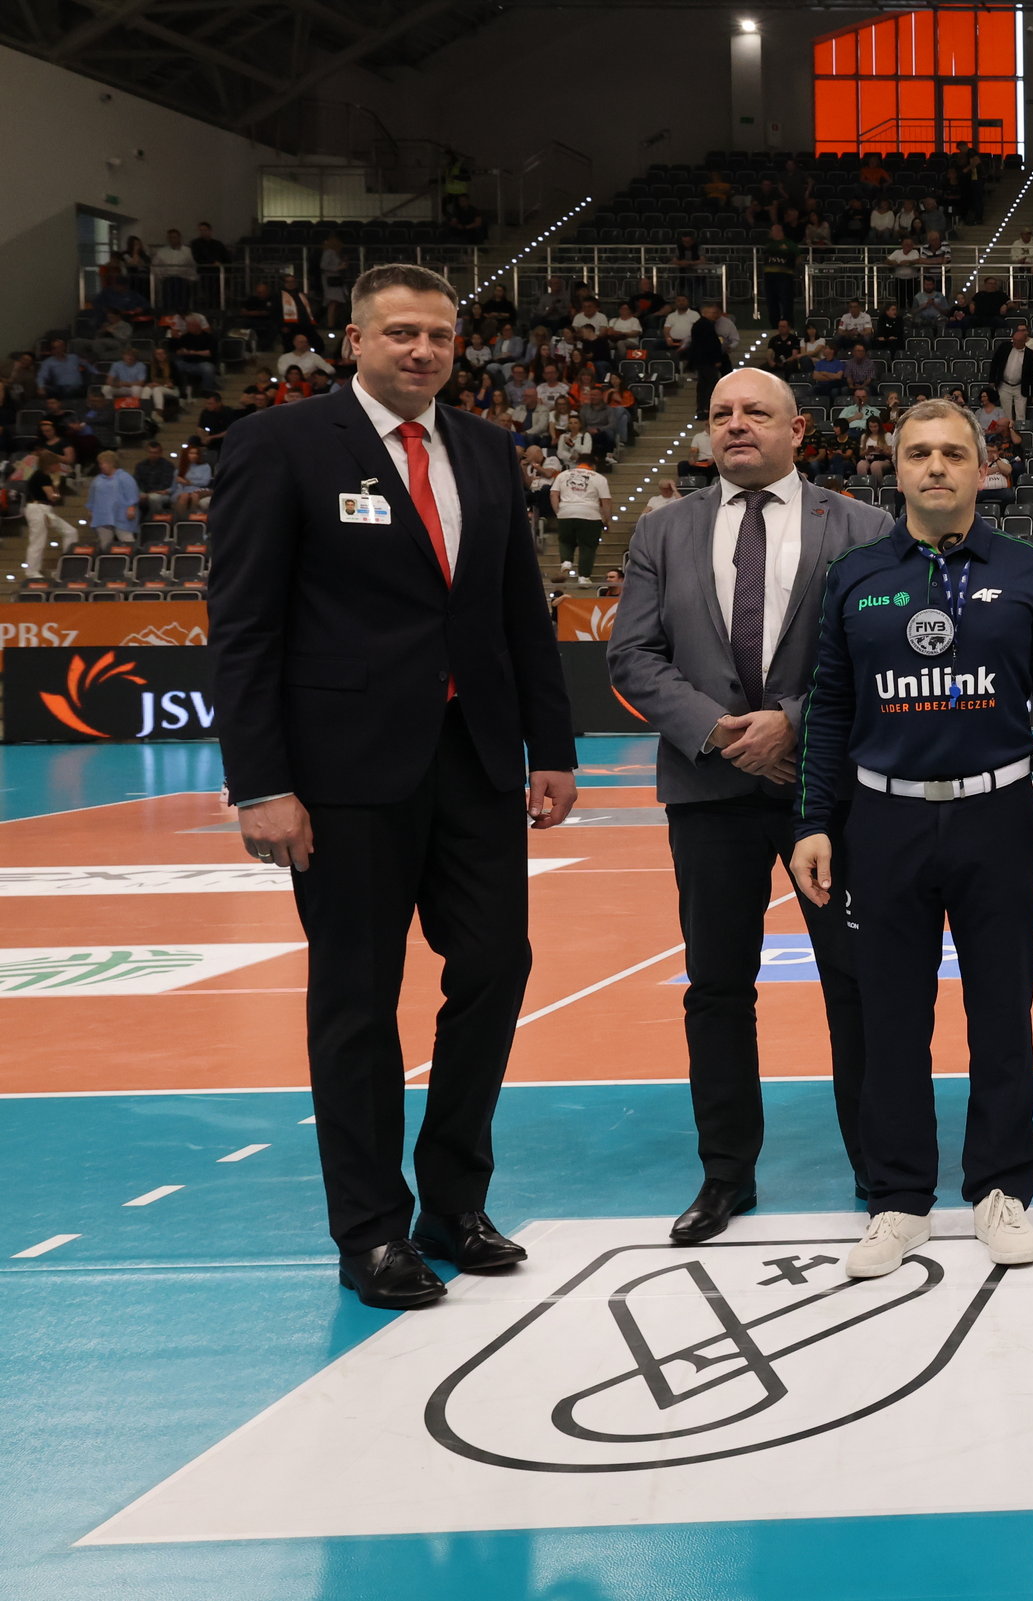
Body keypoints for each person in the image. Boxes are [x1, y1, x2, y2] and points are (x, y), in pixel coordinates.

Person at [208, 263, 578, 1310]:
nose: (423, 351)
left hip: (474, 759)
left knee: (497, 964)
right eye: (402, 333)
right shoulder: (279, 444)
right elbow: (242, 625)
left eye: (441, 336)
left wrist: (551, 746)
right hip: (342, 772)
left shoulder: (487, 448)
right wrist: (260, 782)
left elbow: (519, 609)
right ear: (355, 342)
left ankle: (452, 1201)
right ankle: (370, 1228)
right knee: (358, 999)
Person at [791, 398, 1033, 1278]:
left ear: (981, 468)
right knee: (890, 1016)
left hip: (996, 816)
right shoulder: (855, 574)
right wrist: (814, 821)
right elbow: (830, 706)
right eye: (919, 452)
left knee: (1002, 1011)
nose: (935, 466)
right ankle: (899, 1197)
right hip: (881, 820)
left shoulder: (1024, 570)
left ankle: (1000, 1187)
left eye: (953, 453)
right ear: (894, 468)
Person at [609, 367, 892, 1244]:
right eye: (722, 413)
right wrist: (720, 730)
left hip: (829, 792)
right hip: (708, 789)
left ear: (796, 430)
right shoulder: (662, 529)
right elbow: (633, 656)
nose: (736, 424)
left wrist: (791, 723)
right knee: (717, 987)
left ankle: (880, 1164)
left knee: (857, 981)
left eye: (755, 412)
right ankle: (726, 1172)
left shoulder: (863, 527)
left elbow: (876, 654)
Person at [549, 454, 610, 580]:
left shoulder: (563, 475)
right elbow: (606, 501)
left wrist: (558, 512)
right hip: (590, 514)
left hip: (566, 512)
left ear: (578, 463)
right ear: (593, 465)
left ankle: (566, 561)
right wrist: (607, 519)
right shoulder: (599, 478)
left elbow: (553, 494)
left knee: (565, 540)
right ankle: (584, 577)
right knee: (588, 546)